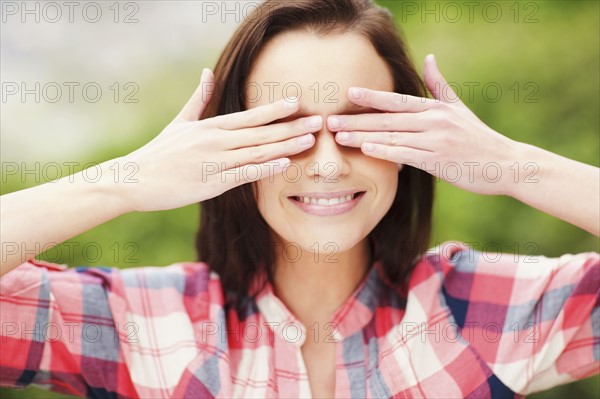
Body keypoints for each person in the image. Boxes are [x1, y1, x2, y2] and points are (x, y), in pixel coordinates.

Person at [1, 0, 598, 398]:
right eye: (288, 130)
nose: (328, 164)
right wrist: (126, 179)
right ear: (230, 145)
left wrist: (514, 166)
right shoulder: (147, 325)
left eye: (358, 127)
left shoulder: (480, 311)